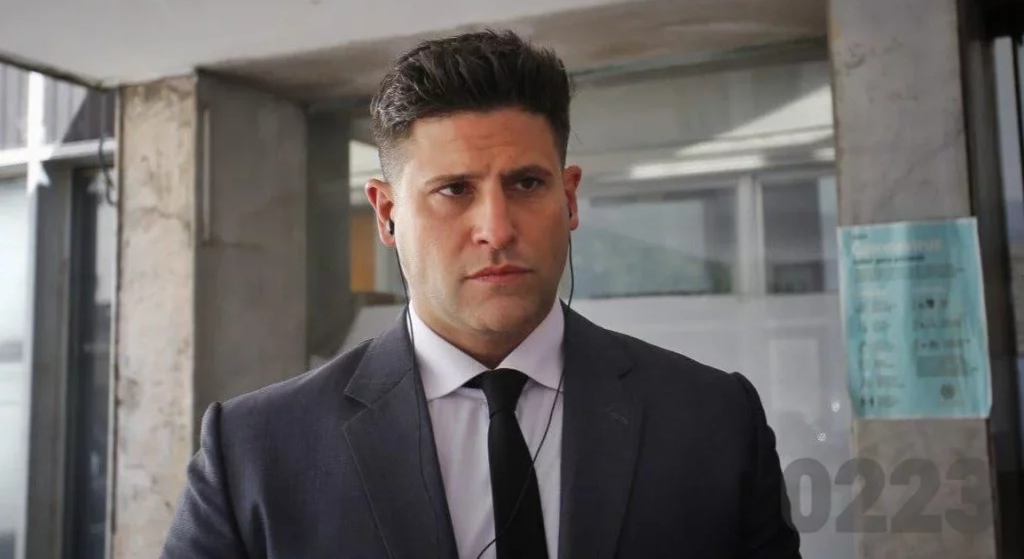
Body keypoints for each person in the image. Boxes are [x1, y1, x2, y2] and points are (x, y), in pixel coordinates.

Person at [161, 29, 801, 559]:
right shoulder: (256, 451)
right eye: (454, 190)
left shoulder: (713, 421)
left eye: (526, 184)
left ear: (569, 199)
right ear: (386, 214)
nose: (496, 229)